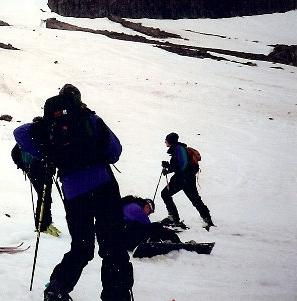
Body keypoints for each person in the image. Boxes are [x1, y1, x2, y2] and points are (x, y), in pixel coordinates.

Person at [14, 84, 133, 301]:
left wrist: (45, 153)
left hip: (73, 192)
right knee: (112, 244)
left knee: (81, 246)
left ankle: (57, 288)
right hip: (103, 186)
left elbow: (19, 133)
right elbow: (115, 151)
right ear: (78, 99)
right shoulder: (90, 118)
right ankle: (116, 295)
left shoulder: (50, 123)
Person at [11, 117, 61, 237]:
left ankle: (46, 223)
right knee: (44, 196)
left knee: (45, 196)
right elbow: (15, 154)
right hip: (38, 170)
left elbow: (14, 154)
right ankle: (42, 225)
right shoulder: (35, 138)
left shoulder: (29, 139)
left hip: (37, 170)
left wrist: (23, 167)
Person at [160, 132, 214, 230]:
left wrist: (169, 168)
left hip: (182, 179)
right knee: (195, 198)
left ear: (170, 141)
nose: (165, 142)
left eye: (166, 140)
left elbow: (182, 166)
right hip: (188, 178)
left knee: (165, 194)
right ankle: (207, 219)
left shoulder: (178, 149)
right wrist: (169, 167)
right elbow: (180, 165)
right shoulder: (179, 149)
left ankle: (174, 218)